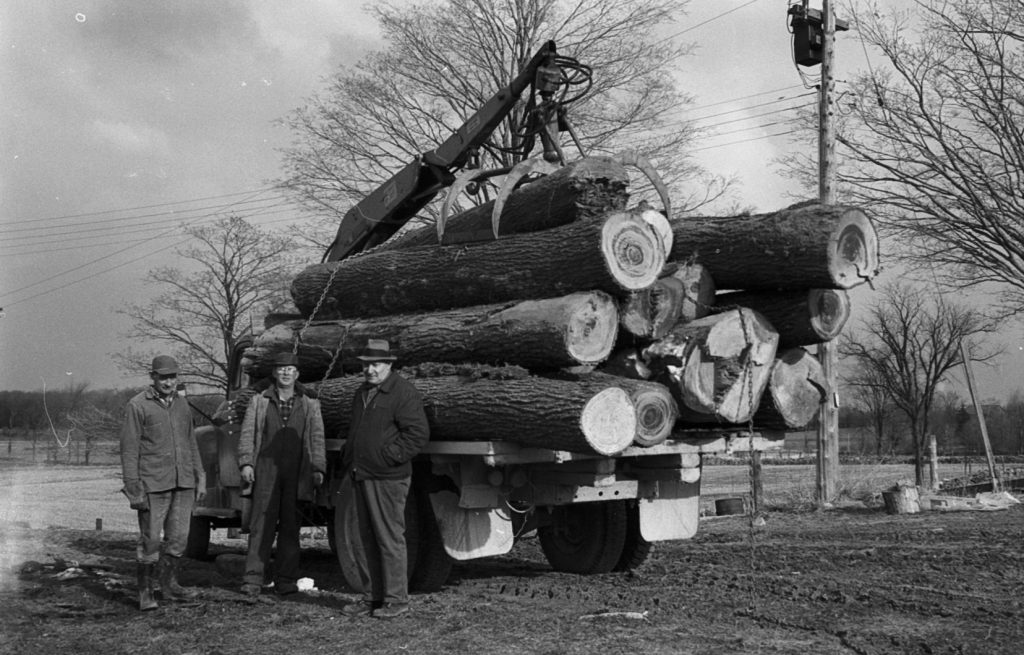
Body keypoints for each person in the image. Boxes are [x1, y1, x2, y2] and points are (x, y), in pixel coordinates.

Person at [340, 339, 429, 619]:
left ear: (389, 365)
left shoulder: (403, 393)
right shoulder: (362, 393)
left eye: (375, 364)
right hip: (361, 474)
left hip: (388, 477)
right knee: (365, 539)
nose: (370, 370)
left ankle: (395, 600)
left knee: (389, 539)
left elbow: (417, 434)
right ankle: (371, 597)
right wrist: (350, 457)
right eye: (366, 364)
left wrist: (387, 457)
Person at [120, 354, 206, 611]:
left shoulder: (182, 405)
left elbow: (191, 443)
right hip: (153, 484)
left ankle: (170, 586)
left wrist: (200, 478)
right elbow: (129, 450)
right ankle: (146, 593)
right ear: (153, 377)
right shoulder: (137, 406)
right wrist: (134, 489)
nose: (168, 382)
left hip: (183, 483)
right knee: (151, 540)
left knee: (180, 538)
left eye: (172, 377)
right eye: (163, 377)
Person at [237, 352, 326, 597]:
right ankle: (253, 580)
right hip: (266, 470)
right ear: (275, 373)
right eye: (281, 369)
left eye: (290, 369)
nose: (286, 373)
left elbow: (316, 438)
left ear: (297, 374)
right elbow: (247, 433)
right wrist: (246, 463)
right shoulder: (260, 401)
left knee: (290, 527)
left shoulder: (309, 402)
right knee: (261, 525)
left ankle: (286, 580)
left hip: (297, 472)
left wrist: (318, 468)